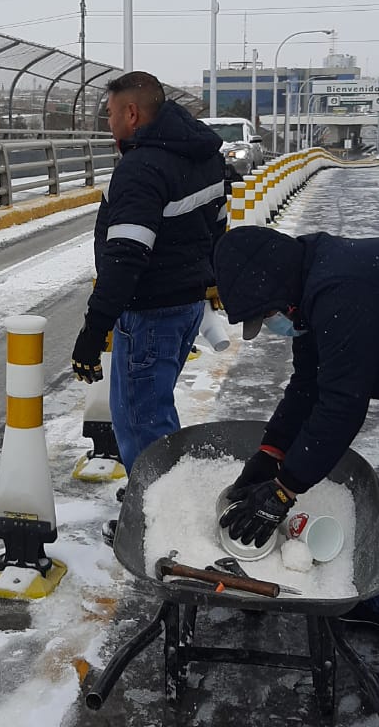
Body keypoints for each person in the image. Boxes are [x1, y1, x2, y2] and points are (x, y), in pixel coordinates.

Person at [71, 72, 226, 541]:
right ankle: (154, 495)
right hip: (183, 308)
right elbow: (217, 227)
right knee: (151, 413)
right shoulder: (202, 156)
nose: (108, 120)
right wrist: (209, 286)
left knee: (141, 423)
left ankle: (163, 525)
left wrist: (93, 329)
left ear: (132, 114)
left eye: (111, 112)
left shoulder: (141, 169)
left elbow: (126, 256)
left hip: (149, 313)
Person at [213, 222, 379, 624]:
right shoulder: (305, 288)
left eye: (267, 314)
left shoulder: (338, 288)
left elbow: (341, 403)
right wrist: (270, 454)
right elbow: (308, 385)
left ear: (277, 289)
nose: (272, 325)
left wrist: (284, 491)